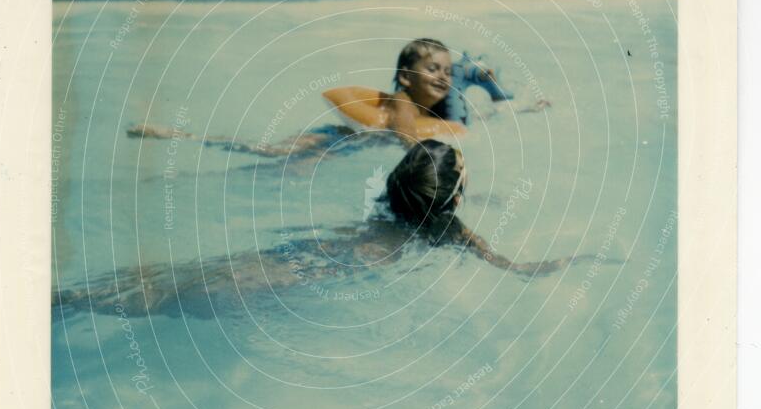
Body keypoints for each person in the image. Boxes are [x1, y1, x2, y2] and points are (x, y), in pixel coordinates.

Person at [52, 141, 579, 320]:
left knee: (180, 278)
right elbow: (521, 271)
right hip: (331, 271)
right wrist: (576, 260)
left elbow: (417, 188)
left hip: (314, 248)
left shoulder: (388, 198)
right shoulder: (450, 230)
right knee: (186, 297)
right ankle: (71, 303)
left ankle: (67, 298)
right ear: (455, 198)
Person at [125, 38, 547, 158]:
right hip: (334, 138)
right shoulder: (396, 103)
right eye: (431, 68)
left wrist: (523, 106)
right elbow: (404, 139)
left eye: (448, 70)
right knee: (269, 154)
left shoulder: (450, 113)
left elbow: (477, 122)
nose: (443, 76)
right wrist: (401, 102)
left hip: (353, 149)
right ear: (405, 76)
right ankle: (181, 136)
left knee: (280, 170)